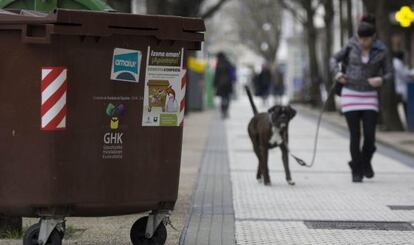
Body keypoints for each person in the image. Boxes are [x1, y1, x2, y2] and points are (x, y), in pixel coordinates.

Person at [330, 14, 394, 183]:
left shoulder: (382, 50)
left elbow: (390, 72)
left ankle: (363, 162)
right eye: (360, 39)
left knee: (370, 136)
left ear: (373, 37)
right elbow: (334, 59)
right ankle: (357, 171)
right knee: (355, 135)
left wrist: (382, 79)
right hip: (350, 93)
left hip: (369, 95)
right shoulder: (351, 45)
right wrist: (337, 73)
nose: (362, 43)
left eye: (366, 40)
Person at [393, 51, 414, 118]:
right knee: (403, 105)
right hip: (400, 88)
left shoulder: (396, 62)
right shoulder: (397, 63)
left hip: (400, 86)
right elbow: (404, 75)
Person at [214, 52, 235, 119]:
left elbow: (216, 75)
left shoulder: (219, 64)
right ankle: (226, 110)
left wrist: (215, 83)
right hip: (228, 84)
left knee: (223, 98)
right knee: (227, 97)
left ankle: (223, 111)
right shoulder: (228, 63)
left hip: (221, 84)